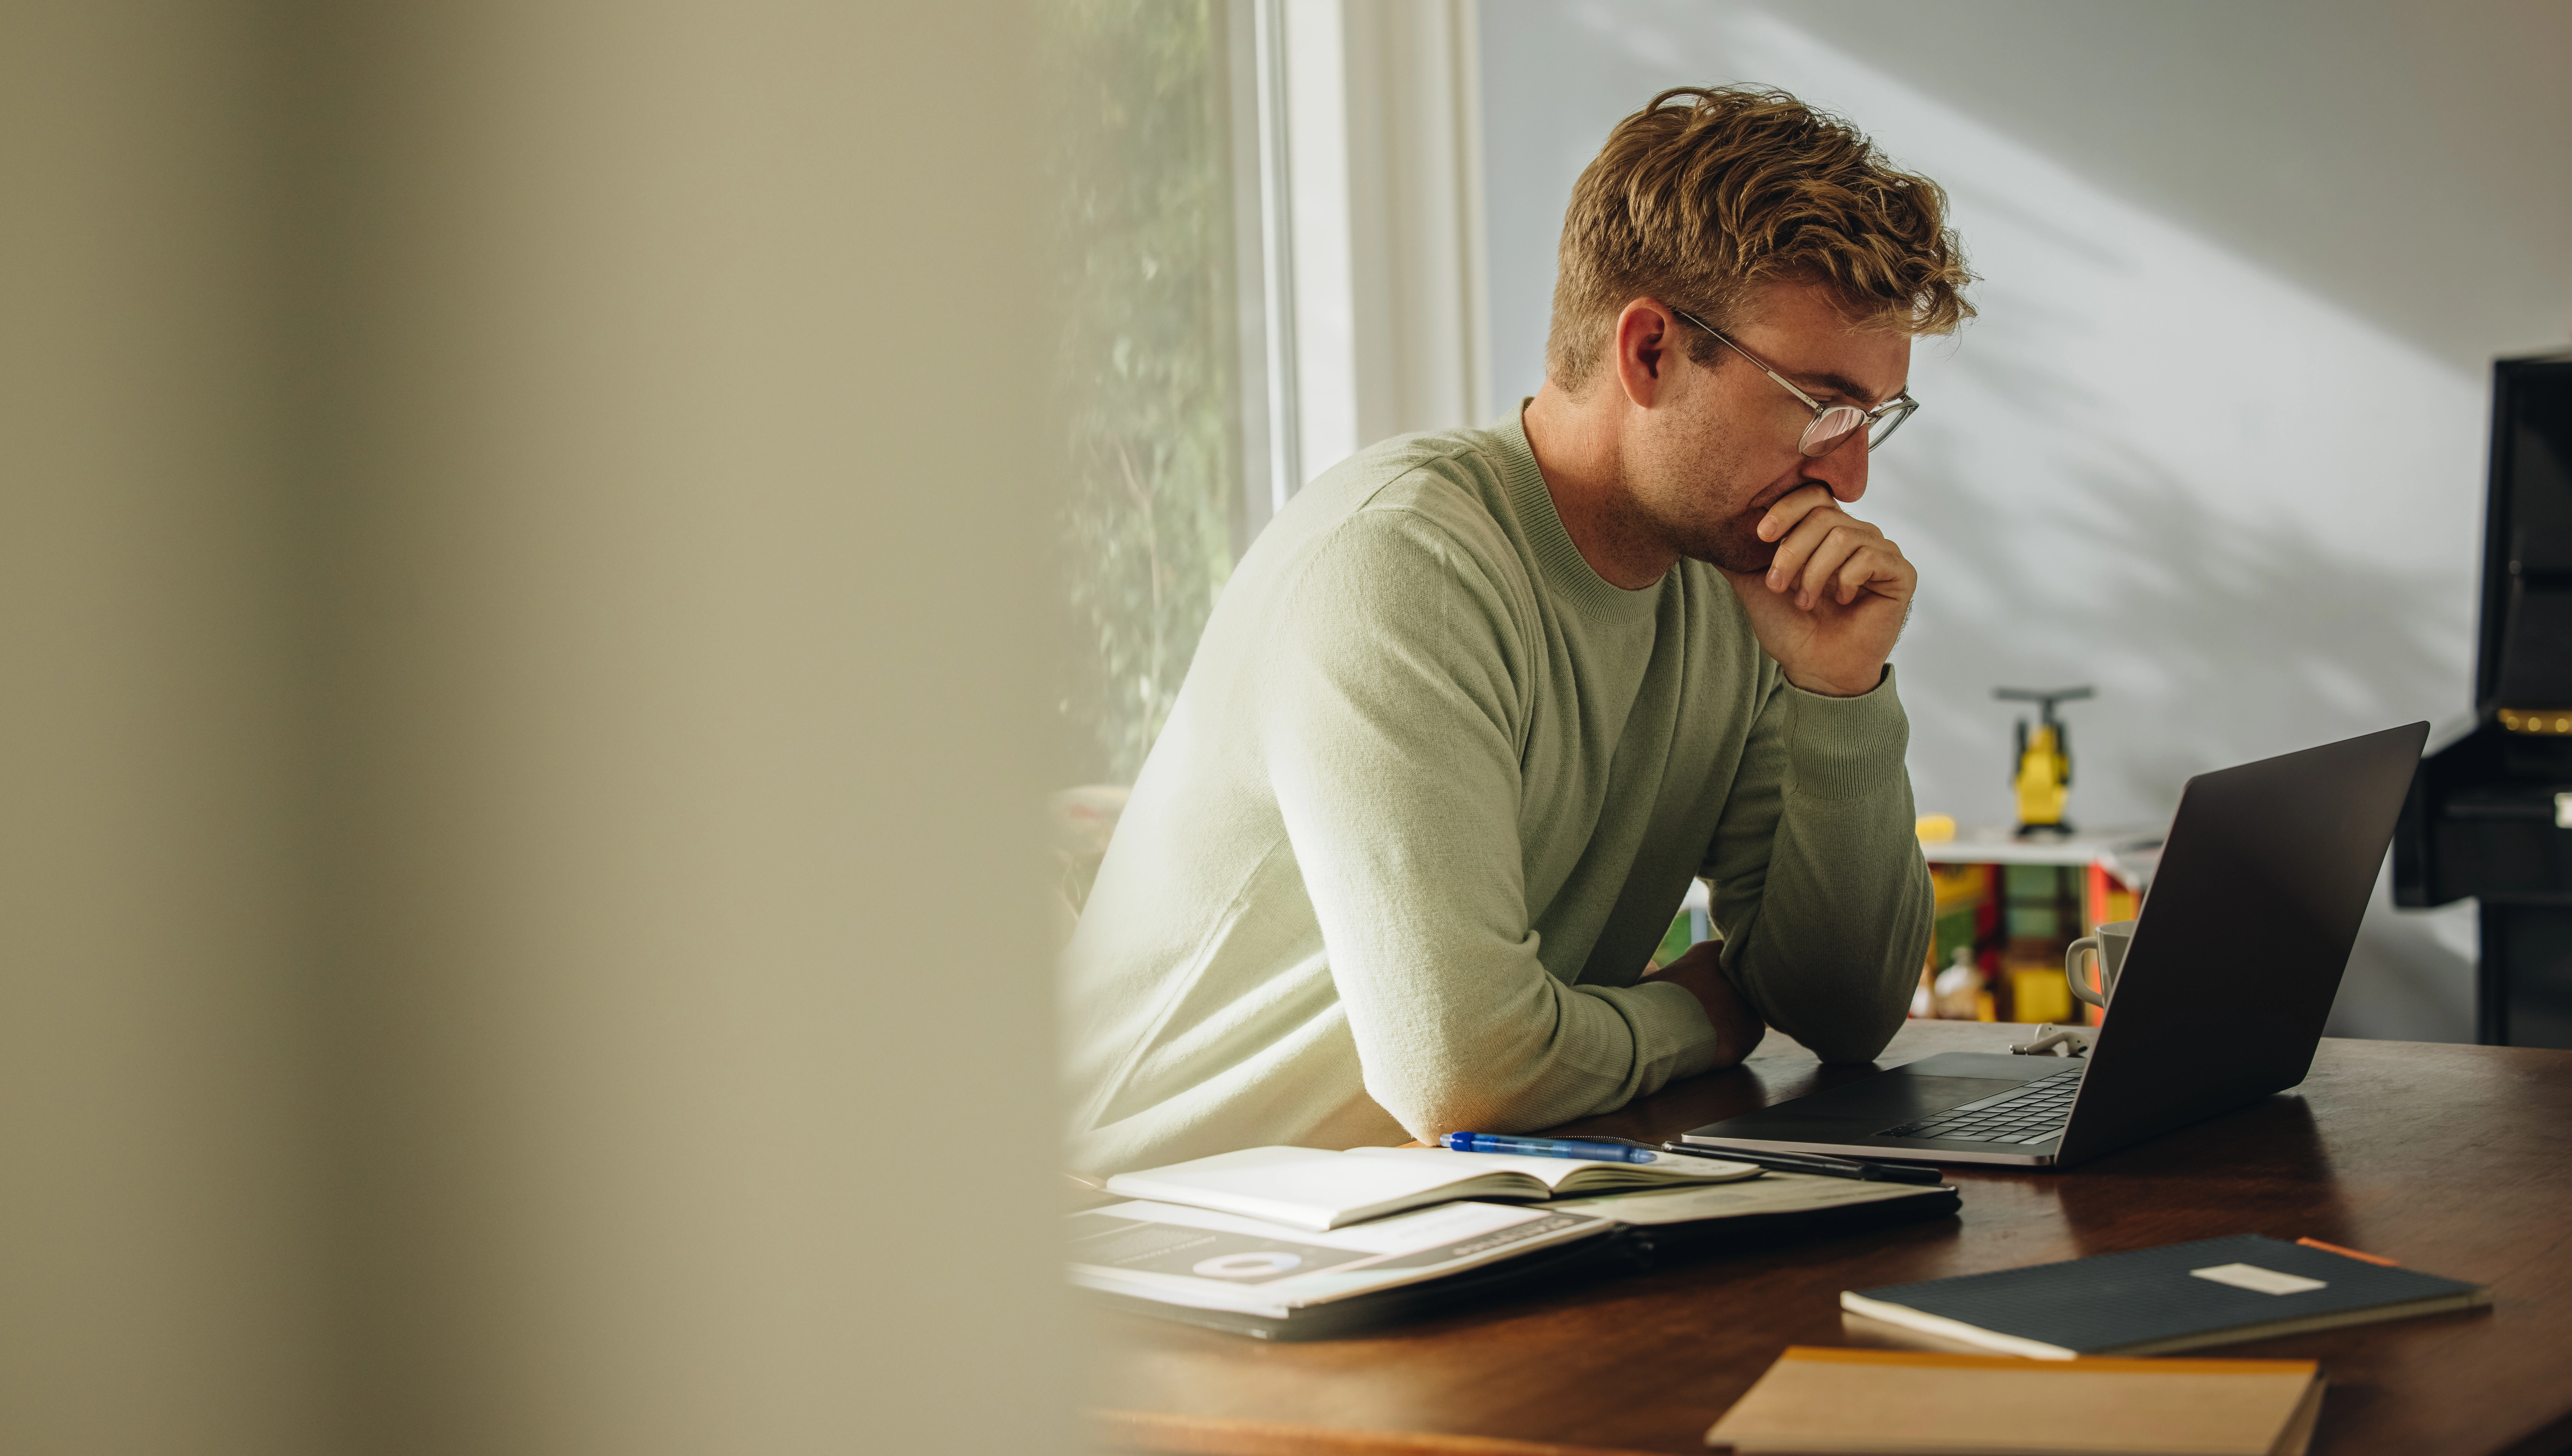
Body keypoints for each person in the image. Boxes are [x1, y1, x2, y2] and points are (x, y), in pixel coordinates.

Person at [1061, 86, 1972, 1175]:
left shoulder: (1737, 578)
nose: (1855, 472)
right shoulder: (1400, 565)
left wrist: (1840, 696)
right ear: (1649, 353)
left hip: (1427, 1213)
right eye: (1822, 405)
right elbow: (1461, 1073)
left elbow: (1846, 1008)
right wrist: (1706, 1014)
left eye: (1875, 418)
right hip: (1143, 1240)